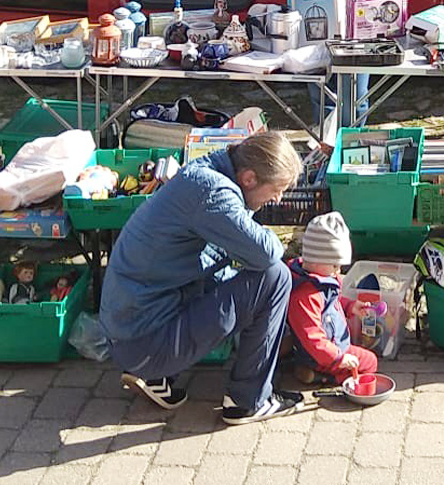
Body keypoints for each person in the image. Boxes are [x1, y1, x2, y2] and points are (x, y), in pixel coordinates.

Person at [100, 130, 306, 425]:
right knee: (275, 277)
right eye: (277, 189)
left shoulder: (203, 173)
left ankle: (158, 376)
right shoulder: (214, 194)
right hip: (142, 341)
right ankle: (248, 401)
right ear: (248, 178)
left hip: (127, 330)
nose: (277, 198)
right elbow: (266, 254)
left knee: (232, 271)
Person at [283, 212, 377, 386]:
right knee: (370, 362)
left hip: (327, 350)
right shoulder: (305, 296)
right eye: (335, 265)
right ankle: (327, 377)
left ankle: (309, 371)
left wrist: (350, 306)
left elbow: (333, 301)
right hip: (322, 356)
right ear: (317, 259)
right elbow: (312, 338)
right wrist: (339, 358)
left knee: (360, 354)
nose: (338, 271)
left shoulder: (322, 280)